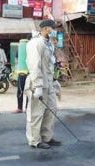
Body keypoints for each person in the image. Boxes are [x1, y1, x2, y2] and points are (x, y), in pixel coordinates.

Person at [25, 19, 62, 149]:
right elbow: (34, 65)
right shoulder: (35, 43)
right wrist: (38, 86)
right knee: (36, 112)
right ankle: (35, 140)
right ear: (46, 28)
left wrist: (55, 81)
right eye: (53, 28)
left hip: (49, 83)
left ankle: (47, 137)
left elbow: (50, 65)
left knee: (51, 110)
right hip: (38, 84)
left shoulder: (49, 44)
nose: (55, 31)